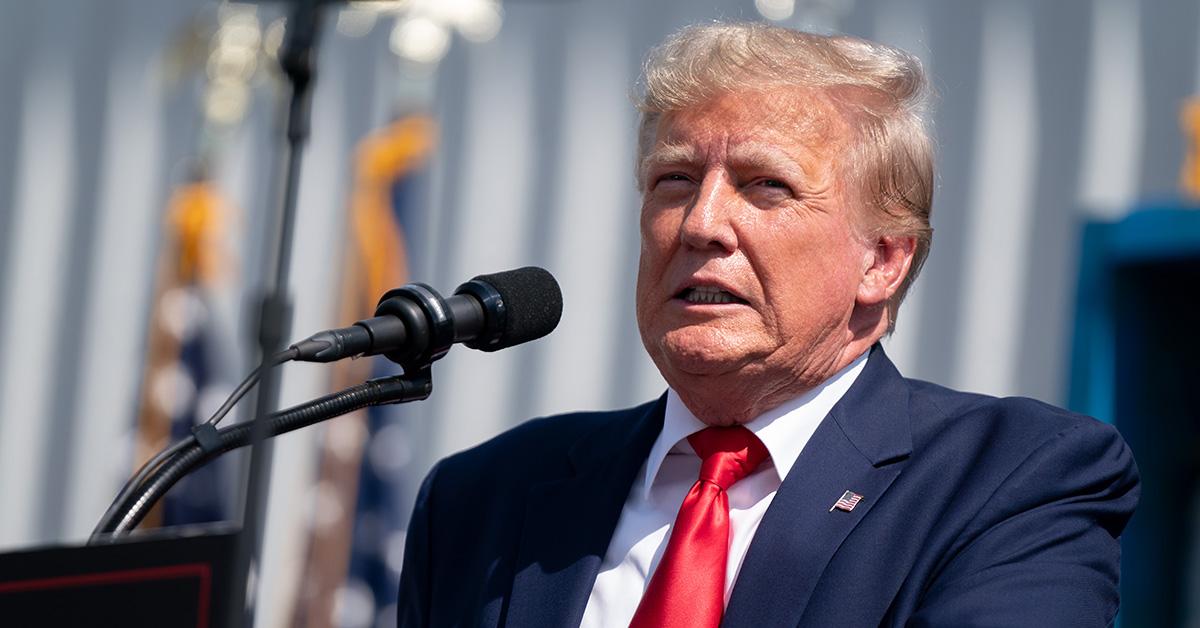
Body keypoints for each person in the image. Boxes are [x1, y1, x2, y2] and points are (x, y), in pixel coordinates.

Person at [398, 22, 1139, 627]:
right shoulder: (486, 496)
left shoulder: (1011, 479)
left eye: (766, 186)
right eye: (675, 180)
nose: (701, 223)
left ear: (882, 261)